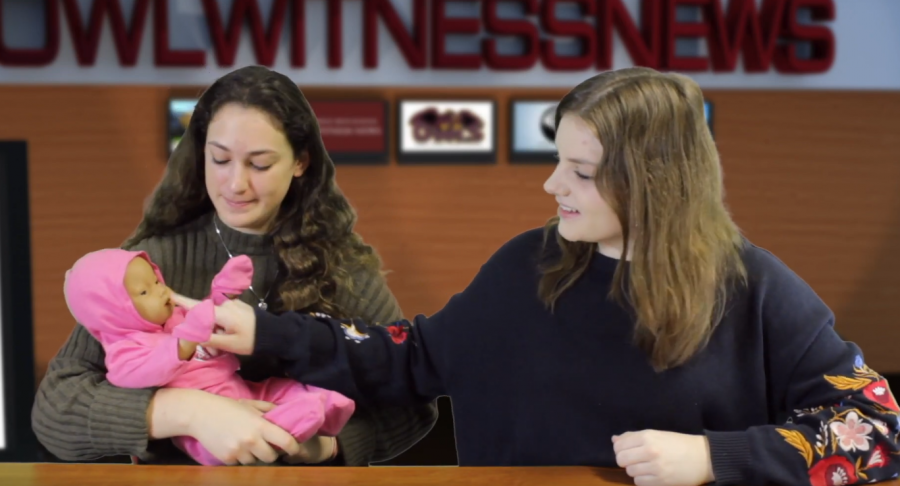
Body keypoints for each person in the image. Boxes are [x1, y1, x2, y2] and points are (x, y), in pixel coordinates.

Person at [174, 67, 900, 486]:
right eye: (559, 161)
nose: (552, 185)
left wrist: (715, 458)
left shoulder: (755, 287)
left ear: (655, 181)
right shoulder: (529, 263)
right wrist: (263, 331)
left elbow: (877, 429)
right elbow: (412, 355)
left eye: (580, 172)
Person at [31, 65, 437, 466]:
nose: (235, 184)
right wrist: (188, 412)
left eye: (259, 165)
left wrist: (326, 446)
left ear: (301, 162)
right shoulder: (152, 262)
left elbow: (413, 398)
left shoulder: (343, 266)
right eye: (220, 159)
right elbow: (55, 408)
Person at [62, 250, 355, 466]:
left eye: (155, 279)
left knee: (276, 387)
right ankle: (286, 424)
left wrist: (220, 296)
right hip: (206, 428)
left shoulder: (174, 316)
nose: (161, 289)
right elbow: (142, 372)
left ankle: (326, 404)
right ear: (114, 311)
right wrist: (187, 337)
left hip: (237, 384)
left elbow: (209, 324)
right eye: (144, 291)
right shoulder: (125, 350)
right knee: (222, 441)